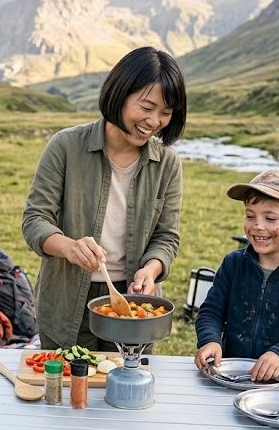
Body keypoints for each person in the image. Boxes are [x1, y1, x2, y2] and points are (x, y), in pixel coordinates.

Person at [22, 47, 186, 352]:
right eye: (146, 107)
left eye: (166, 113)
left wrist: (151, 270)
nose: (154, 121)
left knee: (127, 379)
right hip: (65, 299)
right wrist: (70, 247)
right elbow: (35, 221)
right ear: (119, 93)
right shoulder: (66, 146)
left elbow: (166, 237)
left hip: (135, 305)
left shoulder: (168, 164)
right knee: (69, 379)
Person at [193, 169, 279, 381]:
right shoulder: (233, 263)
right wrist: (210, 340)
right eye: (250, 216)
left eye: (270, 218)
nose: (258, 226)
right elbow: (211, 312)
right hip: (231, 374)